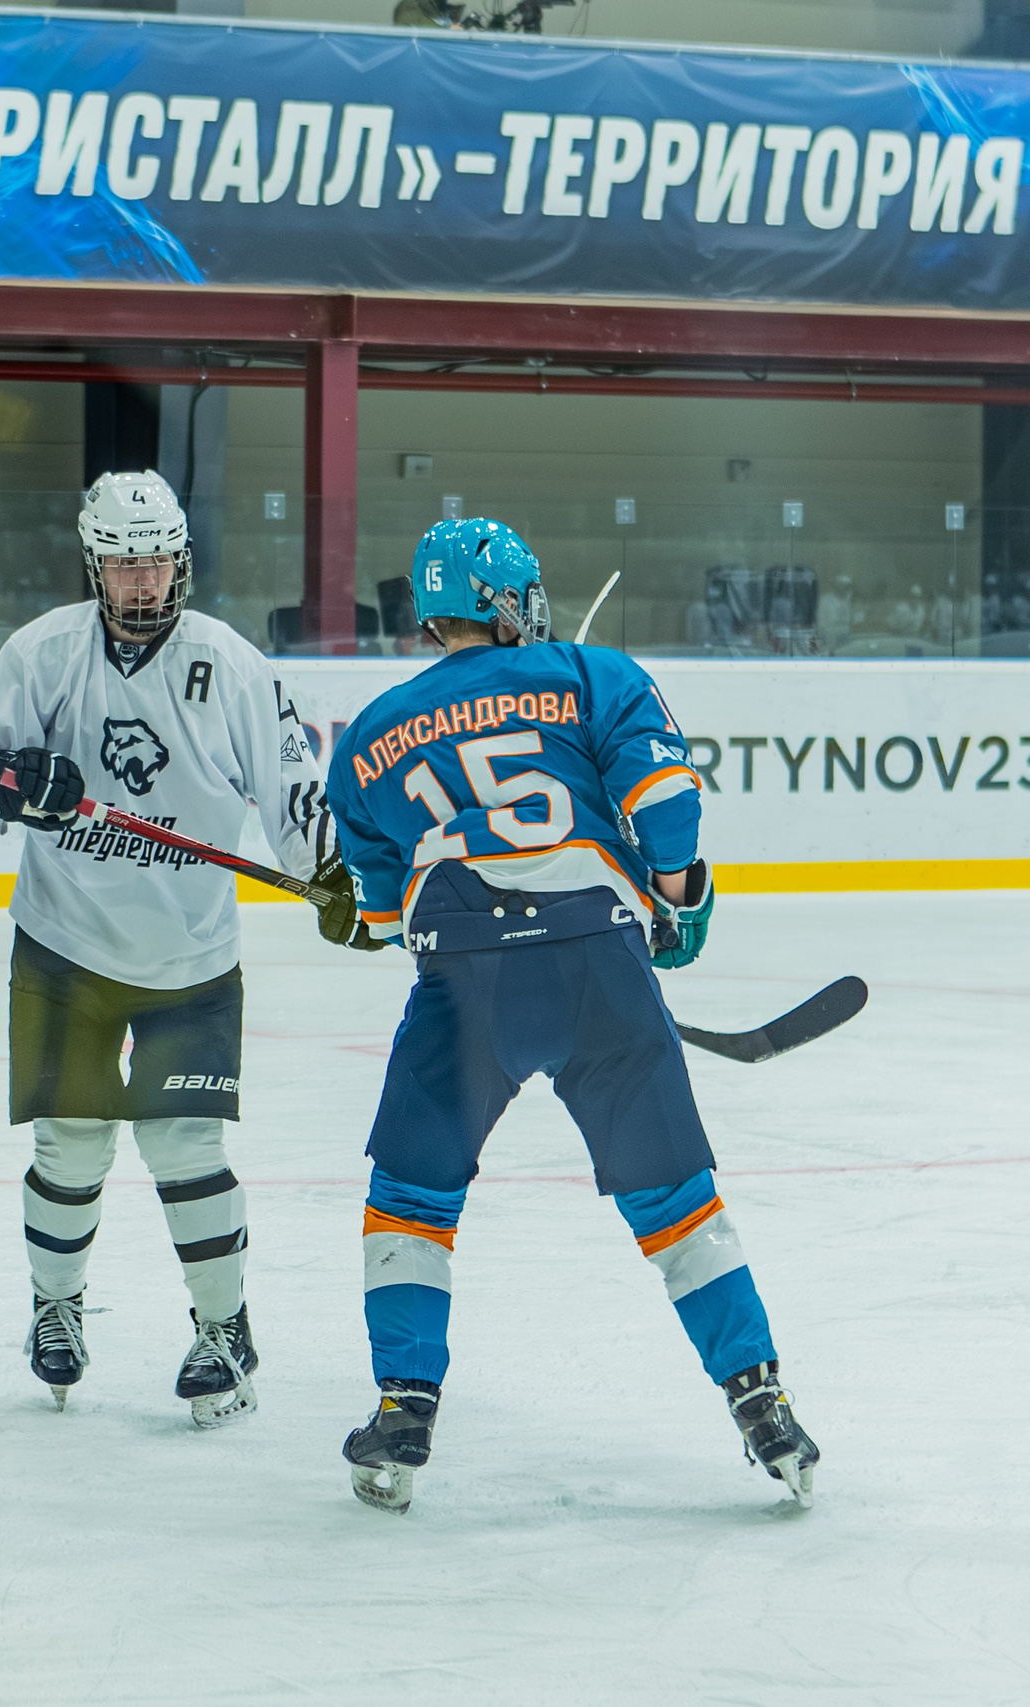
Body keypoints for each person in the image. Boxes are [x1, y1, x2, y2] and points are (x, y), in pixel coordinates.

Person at [319, 517, 818, 1514]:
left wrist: (359, 903)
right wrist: (672, 901)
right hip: (597, 966)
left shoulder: (370, 736)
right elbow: (666, 807)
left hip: (462, 986)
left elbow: (380, 917)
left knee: (410, 1201)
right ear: (505, 603)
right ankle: (760, 1400)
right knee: (675, 1201)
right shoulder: (593, 674)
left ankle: (403, 1408)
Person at [0, 470, 330, 1427]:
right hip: (65, 944)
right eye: (123, 562)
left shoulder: (231, 664)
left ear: (180, 559)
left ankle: (226, 1330)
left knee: (185, 1143)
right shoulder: (42, 654)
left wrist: (336, 877)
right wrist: (9, 782)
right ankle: (57, 1308)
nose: (142, 582)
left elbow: (293, 792)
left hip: (190, 955)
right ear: (95, 562)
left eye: (156, 561)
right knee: (69, 1145)